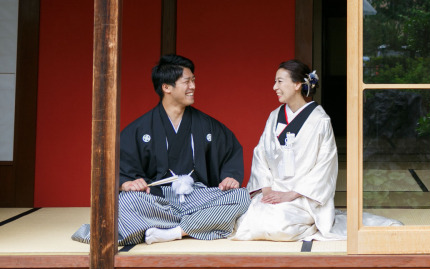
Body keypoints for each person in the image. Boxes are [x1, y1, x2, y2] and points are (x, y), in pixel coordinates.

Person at [72, 54, 250, 245]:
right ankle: (199, 224)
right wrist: (127, 184)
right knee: (126, 202)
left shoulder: (208, 125)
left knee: (241, 197)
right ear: (167, 87)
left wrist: (230, 176)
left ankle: (173, 231)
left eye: (193, 80)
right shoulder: (140, 129)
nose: (193, 87)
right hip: (156, 199)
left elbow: (230, 154)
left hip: (199, 197)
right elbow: (122, 171)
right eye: (187, 82)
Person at [232, 59, 341, 241]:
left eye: (280, 81)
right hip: (273, 191)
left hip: (303, 196)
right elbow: (260, 154)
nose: (275, 87)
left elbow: (325, 165)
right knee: (247, 223)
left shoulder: (320, 120)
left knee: (280, 227)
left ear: (297, 84)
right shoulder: (275, 116)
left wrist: (291, 194)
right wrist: (266, 190)